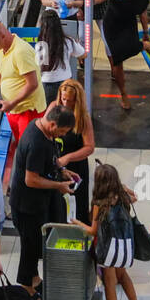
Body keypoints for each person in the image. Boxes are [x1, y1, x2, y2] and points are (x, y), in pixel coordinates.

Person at [8, 106, 78, 294]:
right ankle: (26, 289)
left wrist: (61, 171)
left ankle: (35, 280)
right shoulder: (36, 142)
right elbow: (31, 179)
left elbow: (49, 158)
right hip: (26, 205)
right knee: (29, 247)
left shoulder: (42, 129)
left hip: (38, 202)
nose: (62, 136)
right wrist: (58, 186)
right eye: (61, 132)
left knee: (36, 244)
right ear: (53, 124)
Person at [72, 162, 143, 300]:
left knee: (109, 281)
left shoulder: (100, 203)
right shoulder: (123, 198)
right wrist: (124, 188)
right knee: (123, 275)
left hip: (109, 248)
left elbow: (93, 231)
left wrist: (77, 223)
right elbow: (135, 197)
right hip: (125, 246)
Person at [93, 0, 150, 113]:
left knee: (132, 46)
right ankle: (123, 93)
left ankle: (143, 45)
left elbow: (143, 13)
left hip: (128, 24)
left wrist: (145, 32)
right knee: (117, 59)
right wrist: (85, 2)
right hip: (113, 24)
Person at [0, 20, 47, 139]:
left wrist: (12, 103)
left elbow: (33, 84)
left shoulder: (20, 52)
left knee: (28, 148)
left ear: (3, 36)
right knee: (20, 144)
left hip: (28, 111)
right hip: (13, 110)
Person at [48, 78, 95, 225]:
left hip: (76, 167)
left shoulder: (83, 118)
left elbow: (89, 147)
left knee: (77, 206)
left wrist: (68, 158)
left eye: (70, 101)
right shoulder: (53, 108)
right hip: (56, 165)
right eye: (64, 99)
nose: (66, 104)